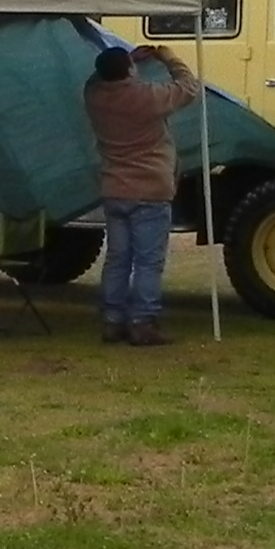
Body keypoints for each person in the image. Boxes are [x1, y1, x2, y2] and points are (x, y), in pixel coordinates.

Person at [82, 42, 200, 346]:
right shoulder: (147, 96)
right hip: (150, 189)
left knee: (117, 259)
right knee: (148, 261)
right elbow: (188, 87)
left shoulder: (95, 97)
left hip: (114, 189)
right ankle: (142, 322)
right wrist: (170, 58)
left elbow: (94, 80)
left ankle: (112, 320)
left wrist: (125, 61)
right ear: (129, 71)